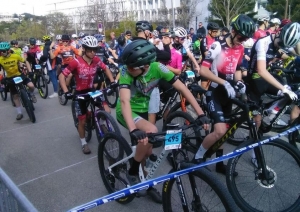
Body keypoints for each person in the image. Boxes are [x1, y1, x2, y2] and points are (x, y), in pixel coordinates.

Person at [116, 39, 209, 202]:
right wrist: (133, 129)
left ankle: (144, 179)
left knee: (148, 149)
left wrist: (200, 114)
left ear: (145, 66)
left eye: (132, 67)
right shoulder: (125, 71)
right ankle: (133, 171)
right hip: (126, 111)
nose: (128, 69)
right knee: (151, 131)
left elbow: (182, 88)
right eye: (128, 66)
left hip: (144, 110)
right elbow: (124, 101)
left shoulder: (158, 68)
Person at [195, 14, 256, 175]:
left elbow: (236, 69)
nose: (242, 41)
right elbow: (203, 70)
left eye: (245, 39)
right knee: (220, 131)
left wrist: (239, 82)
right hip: (215, 92)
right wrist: (224, 82)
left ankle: (219, 163)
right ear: (233, 31)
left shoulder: (240, 48)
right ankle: (198, 156)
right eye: (241, 37)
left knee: (226, 131)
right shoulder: (217, 45)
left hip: (228, 94)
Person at [58, 36, 117, 154]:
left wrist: (112, 82)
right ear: (84, 49)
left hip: (92, 90)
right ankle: (83, 142)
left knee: (107, 111)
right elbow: (61, 76)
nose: (93, 52)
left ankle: (100, 123)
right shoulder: (76, 62)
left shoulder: (96, 60)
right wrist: (66, 92)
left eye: (94, 49)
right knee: (82, 121)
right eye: (90, 50)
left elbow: (106, 69)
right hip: (80, 92)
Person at [248, 22, 300, 155]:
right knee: (257, 120)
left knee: (290, 94)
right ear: (278, 33)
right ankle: (254, 151)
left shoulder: (283, 42)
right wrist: (283, 88)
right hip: (254, 79)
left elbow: (296, 53)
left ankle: (270, 111)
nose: (282, 47)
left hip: (266, 78)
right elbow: (261, 70)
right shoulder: (263, 42)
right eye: (281, 44)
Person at [0, 42, 36, 120]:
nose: (1, 53)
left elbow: (25, 61)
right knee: (15, 96)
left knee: (31, 86)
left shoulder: (15, 56)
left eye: (3, 51)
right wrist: (1, 78)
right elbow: (1, 70)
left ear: (8, 50)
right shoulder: (0, 59)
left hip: (19, 75)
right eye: (0, 51)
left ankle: (31, 94)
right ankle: (19, 112)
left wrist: (29, 71)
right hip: (10, 78)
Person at [199, 22, 220, 89]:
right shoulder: (204, 40)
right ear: (209, 31)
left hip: (215, 67)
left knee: (213, 88)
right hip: (206, 67)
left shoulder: (217, 40)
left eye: (217, 31)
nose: (216, 33)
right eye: (214, 31)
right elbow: (206, 54)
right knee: (204, 87)